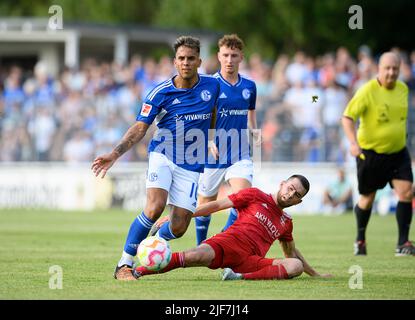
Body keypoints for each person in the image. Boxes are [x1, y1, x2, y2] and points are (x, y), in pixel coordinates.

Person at [92, 36, 220, 280]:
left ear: (199, 61)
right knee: (154, 206)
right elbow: (140, 127)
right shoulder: (160, 93)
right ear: (174, 62)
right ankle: (123, 265)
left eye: (191, 58)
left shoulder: (212, 87)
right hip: (163, 154)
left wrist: (211, 138)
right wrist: (115, 154)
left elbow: (213, 111)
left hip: (192, 162)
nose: (186, 63)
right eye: (181, 58)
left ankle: (156, 239)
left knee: (180, 226)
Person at [151, 34, 259, 245]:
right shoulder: (210, 85)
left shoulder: (250, 87)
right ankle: (201, 246)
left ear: (241, 58)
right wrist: (209, 140)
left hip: (239, 152)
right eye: (226, 55)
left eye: (234, 55)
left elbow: (251, 114)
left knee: (243, 200)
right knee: (203, 207)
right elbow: (205, 115)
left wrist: (255, 131)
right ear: (218, 56)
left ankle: (220, 242)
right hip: (212, 153)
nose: (229, 60)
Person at [132, 175, 332, 281]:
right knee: (192, 256)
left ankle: (238, 277)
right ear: (282, 184)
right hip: (227, 243)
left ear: (298, 202)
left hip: (252, 261)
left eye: (297, 194)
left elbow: (291, 252)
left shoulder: (286, 222)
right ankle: (139, 270)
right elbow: (218, 205)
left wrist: (314, 274)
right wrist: (183, 215)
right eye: (290, 188)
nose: (290, 195)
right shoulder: (255, 195)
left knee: (294, 266)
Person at [342, 52, 414, 256]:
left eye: (395, 69)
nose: (391, 72)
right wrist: (353, 143)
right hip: (370, 155)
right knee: (367, 199)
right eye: (387, 68)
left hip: (398, 152)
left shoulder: (403, 89)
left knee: (407, 192)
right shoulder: (367, 91)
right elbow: (347, 117)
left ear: (400, 70)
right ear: (379, 69)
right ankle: (360, 239)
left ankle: (402, 243)